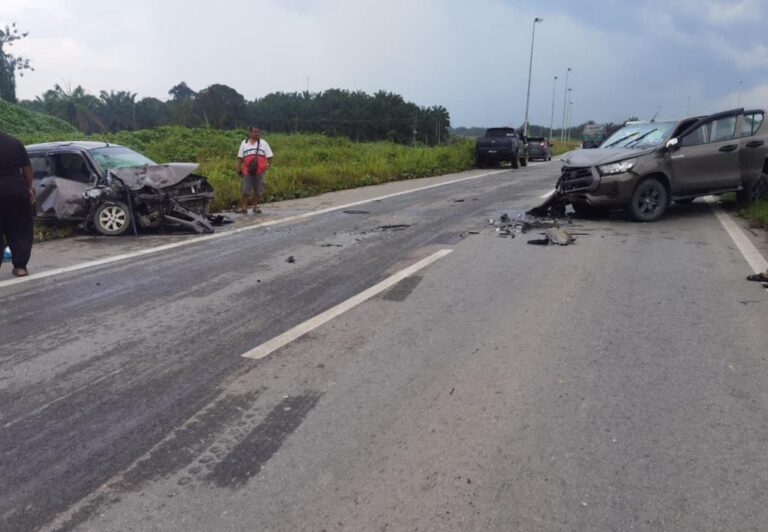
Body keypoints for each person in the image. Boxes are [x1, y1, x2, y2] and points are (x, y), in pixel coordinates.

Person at [0, 131, 34, 277]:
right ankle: (20, 267)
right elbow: (27, 169)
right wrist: (28, 188)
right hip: (17, 192)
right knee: (21, 230)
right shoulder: (14, 142)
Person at [236, 126, 273, 214]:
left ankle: (255, 207)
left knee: (258, 190)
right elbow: (240, 158)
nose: (256, 134)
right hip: (247, 171)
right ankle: (244, 207)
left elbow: (270, 156)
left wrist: (267, 166)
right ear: (250, 133)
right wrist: (238, 168)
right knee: (245, 190)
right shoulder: (244, 143)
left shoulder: (263, 143)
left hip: (259, 171)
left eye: (257, 132)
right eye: (254, 132)